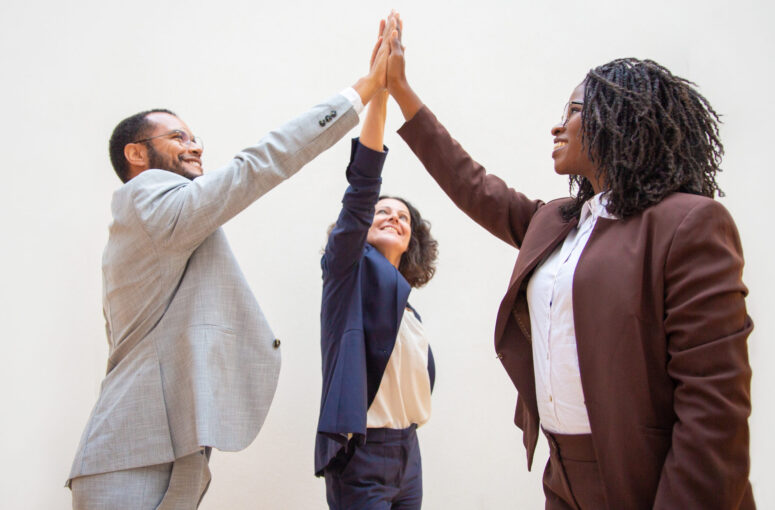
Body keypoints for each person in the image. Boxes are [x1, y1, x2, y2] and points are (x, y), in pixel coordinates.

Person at [385, 26, 754, 510]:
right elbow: (472, 184)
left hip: (649, 476)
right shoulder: (557, 221)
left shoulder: (687, 222)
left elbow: (714, 409)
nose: (558, 127)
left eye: (574, 113)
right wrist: (402, 93)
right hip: (562, 476)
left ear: (619, 121)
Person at [66, 14, 399, 509]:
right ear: (136, 154)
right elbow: (256, 166)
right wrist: (363, 91)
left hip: (176, 451)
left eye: (195, 136)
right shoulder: (146, 196)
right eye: (178, 137)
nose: (196, 144)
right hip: (129, 457)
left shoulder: (160, 228)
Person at [315, 73, 439, 509]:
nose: (393, 217)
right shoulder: (344, 278)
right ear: (360, 229)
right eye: (381, 212)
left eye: (403, 217)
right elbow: (362, 187)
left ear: (412, 242)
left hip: (408, 453)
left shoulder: (409, 314)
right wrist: (382, 94)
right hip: (362, 457)